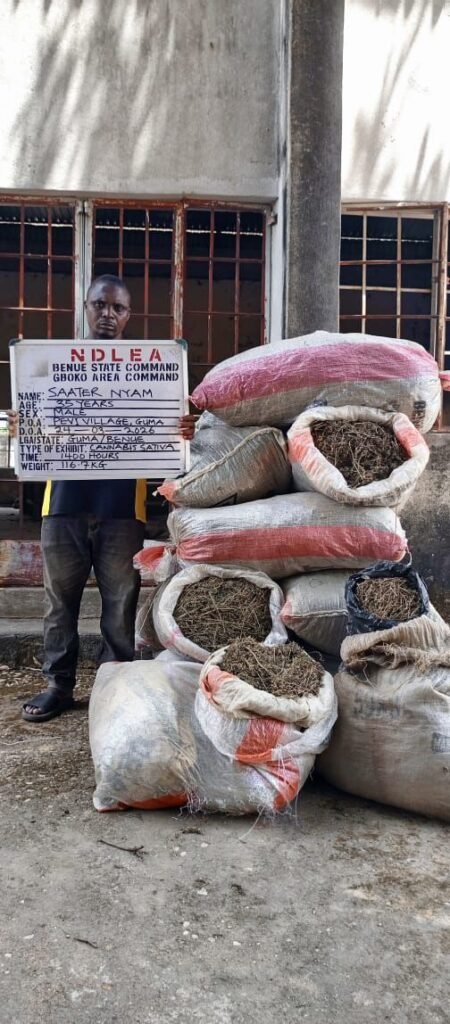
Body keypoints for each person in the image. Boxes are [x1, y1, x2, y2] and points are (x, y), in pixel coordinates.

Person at [10, 275, 195, 722]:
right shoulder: (51, 369)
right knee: (60, 604)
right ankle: (58, 684)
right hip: (63, 507)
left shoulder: (150, 371)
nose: (108, 314)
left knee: (120, 605)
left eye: (118, 308)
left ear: (129, 315)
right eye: (100, 305)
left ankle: (117, 687)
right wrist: (23, 425)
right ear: (86, 308)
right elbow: (35, 431)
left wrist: (182, 430)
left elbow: (169, 437)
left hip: (121, 512)